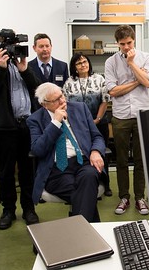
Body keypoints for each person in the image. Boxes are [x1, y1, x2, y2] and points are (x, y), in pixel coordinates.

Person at [0, 44, 40, 230]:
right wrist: (0, 68)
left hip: (26, 124)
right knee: (6, 172)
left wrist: (25, 70)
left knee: (27, 170)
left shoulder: (23, 64)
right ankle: (8, 211)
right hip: (5, 127)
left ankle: (29, 208)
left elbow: (37, 89)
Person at [27, 82, 105, 222]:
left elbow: (97, 136)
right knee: (86, 193)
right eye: (56, 100)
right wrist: (55, 123)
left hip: (84, 161)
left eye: (62, 95)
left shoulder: (80, 108)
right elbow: (37, 149)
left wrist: (95, 151)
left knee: (89, 177)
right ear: (45, 104)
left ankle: (78, 233)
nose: (63, 101)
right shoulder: (35, 119)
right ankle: (87, 233)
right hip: (57, 169)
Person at [104, 25, 149, 215]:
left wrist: (132, 64)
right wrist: (137, 80)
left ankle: (139, 197)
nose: (126, 47)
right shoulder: (110, 62)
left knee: (141, 160)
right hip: (121, 116)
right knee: (122, 160)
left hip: (142, 114)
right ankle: (124, 197)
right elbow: (113, 91)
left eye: (129, 43)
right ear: (117, 43)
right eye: (122, 44)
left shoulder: (145, 57)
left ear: (134, 40)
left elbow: (148, 83)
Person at [63, 53, 112, 197]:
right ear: (74, 67)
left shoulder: (99, 79)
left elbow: (105, 100)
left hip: (99, 122)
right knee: (85, 153)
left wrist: (97, 119)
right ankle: (89, 183)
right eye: (79, 63)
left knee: (101, 153)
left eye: (85, 62)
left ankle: (105, 183)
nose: (83, 65)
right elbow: (65, 104)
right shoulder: (69, 83)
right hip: (78, 126)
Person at [28, 33, 68, 110]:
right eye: (41, 46)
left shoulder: (62, 66)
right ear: (34, 48)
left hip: (57, 110)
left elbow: (65, 91)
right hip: (36, 111)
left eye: (47, 46)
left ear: (51, 46)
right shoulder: (28, 67)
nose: (45, 49)